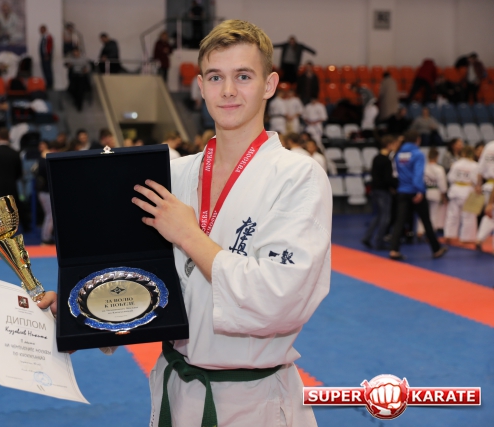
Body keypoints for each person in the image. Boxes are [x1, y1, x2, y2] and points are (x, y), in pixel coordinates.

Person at [39, 19, 331, 427]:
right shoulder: (173, 174)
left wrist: (190, 235)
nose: (228, 90)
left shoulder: (297, 176)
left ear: (269, 85)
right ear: (200, 87)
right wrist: (83, 310)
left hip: (255, 401)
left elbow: (278, 300)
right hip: (176, 391)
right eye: (215, 77)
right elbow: (143, 278)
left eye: (243, 76)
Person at [389, 130, 447, 260]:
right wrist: (420, 191)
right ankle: (436, 249)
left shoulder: (399, 154)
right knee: (426, 221)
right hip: (415, 191)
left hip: (402, 190)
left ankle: (394, 250)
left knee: (400, 221)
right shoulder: (417, 154)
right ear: (418, 140)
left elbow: (396, 174)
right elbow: (418, 175)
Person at [363, 135, 399, 250]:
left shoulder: (376, 158)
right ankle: (379, 241)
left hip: (375, 190)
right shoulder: (386, 160)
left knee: (378, 215)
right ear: (389, 145)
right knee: (385, 217)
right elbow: (388, 178)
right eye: (393, 144)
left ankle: (367, 237)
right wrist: (395, 185)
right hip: (383, 191)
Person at [444, 146, 479, 244]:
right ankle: (466, 238)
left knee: (452, 214)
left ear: (463, 153)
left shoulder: (456, 164)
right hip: (467, 191)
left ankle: (449, 235)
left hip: (455, 190)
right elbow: (476, 180)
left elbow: (450, 177)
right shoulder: (475, 165)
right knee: (468, 215)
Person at [418, 148, 448, 235]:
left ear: (428, 156)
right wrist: (443, 195)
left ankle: (420, 231)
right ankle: (431, 233)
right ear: (437, 157)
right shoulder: (439, 169)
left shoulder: (423, 167)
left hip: (424, 191)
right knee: (434, 214)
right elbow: (442, 184)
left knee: (422, 213)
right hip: (435, 192)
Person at [36, 141, 60, 245]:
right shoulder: (44, 161)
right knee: (50, 215)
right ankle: (45, 238)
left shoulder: (45, 160)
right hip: (45, 192)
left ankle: (47, 237)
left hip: (45, 192)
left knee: (50, 215)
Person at [476, 140, 494, 252]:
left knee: (489, 215)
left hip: (487, 185)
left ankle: (479, 238)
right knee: (490, 212)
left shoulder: (489, 146)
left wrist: (478, 185)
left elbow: (480, 168)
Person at [39, 25, 54, 90]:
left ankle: (50, 84)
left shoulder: (48, 36)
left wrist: (47, 54)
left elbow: (49, 46)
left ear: (44, 29)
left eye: (41, 29)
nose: (40, 31)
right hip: (44, 56)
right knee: (45, 70)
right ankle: (47, 83)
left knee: (48, 69)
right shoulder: (43, 37)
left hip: (46, 56)